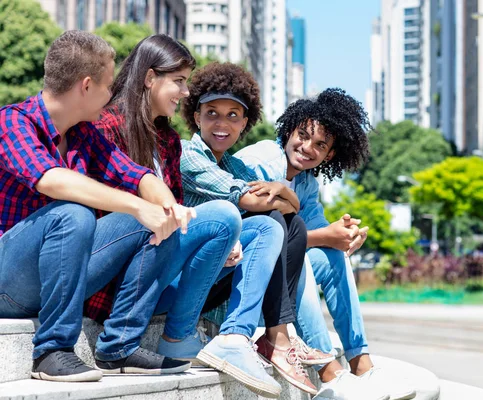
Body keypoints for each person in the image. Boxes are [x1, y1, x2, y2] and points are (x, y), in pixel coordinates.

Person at [0, 31, 192, 382]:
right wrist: (136, 206)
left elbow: (135, 175)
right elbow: (51, 179)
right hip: (8, 283)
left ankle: (119, 345)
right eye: (107, 87)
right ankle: (52, 351)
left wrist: (166, 205)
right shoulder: (12, 122)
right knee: (74, 213)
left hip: (61, 278)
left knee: (155, 216)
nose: (112, 96)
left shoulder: (83, 133)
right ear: (85, 86)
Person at [236, 88, 417, 400]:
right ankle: (330, 374)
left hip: (273, 278)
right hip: (237, 273)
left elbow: (313, 233)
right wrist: (327, 235)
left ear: (330, 155)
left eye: (320, 145)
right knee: (305, 258)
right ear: (288, 129)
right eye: (303, 135)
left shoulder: (305, 183)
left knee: (333, 256)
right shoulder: (262, 161)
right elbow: (265, 234)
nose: (308, 148)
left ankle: (361, 364)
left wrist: (344, 235)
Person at [90, 34, 248, 373]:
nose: (186, 92)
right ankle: (149, 339)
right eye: (179, 81)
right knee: (220, 214)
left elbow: (175, 215)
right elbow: (100, 217)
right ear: (150, 79)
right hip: (108, 278)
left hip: (153, 273)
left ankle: (222, 335)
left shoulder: (167, 140)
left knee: (251, 227)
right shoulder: (105, 126)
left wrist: (222, 248)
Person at [179, 62, 333, 397]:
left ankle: (276, 336)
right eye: (212, 113)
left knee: (294, 227)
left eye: (233, 115)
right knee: (271, 222)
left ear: (245, 122)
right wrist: (278, 195)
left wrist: (282, 192)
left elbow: (289, 207)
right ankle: (265, 337)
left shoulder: (236, 165)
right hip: (183, 279)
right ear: (196, 116)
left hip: (216, 276)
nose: (222, 124)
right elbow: (253, 201)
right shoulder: (188, 154)